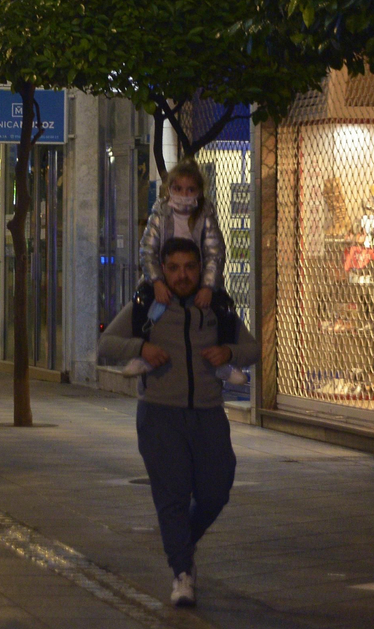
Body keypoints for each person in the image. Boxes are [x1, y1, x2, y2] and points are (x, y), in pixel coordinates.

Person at [99, 237, 259, 608]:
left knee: (217, 489)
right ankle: (182, 573)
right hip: (159, 414)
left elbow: (252, 349)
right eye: (174, 268)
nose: (182, 275)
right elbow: (107, 343)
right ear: (163, 270)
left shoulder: (215, 304)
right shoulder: (147, 303)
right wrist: (141, 349)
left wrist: (229, 352)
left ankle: (180, 543)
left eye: (189, 267)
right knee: (171, 496)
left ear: (199, 268)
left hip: (208, 414)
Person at [137, 158, 242, 385]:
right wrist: (156, 281)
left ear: (199, 191)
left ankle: (223, 362)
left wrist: (207, 286)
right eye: (178, 189)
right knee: (140, 305)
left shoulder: (205, 214)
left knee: (223, 309)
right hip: (165, 279)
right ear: (169, 189)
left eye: (190, 189)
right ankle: (142, 353)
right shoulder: (161, 213)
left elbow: (215, 252)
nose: (184, 194)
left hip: (197, 280)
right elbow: (147, 249)